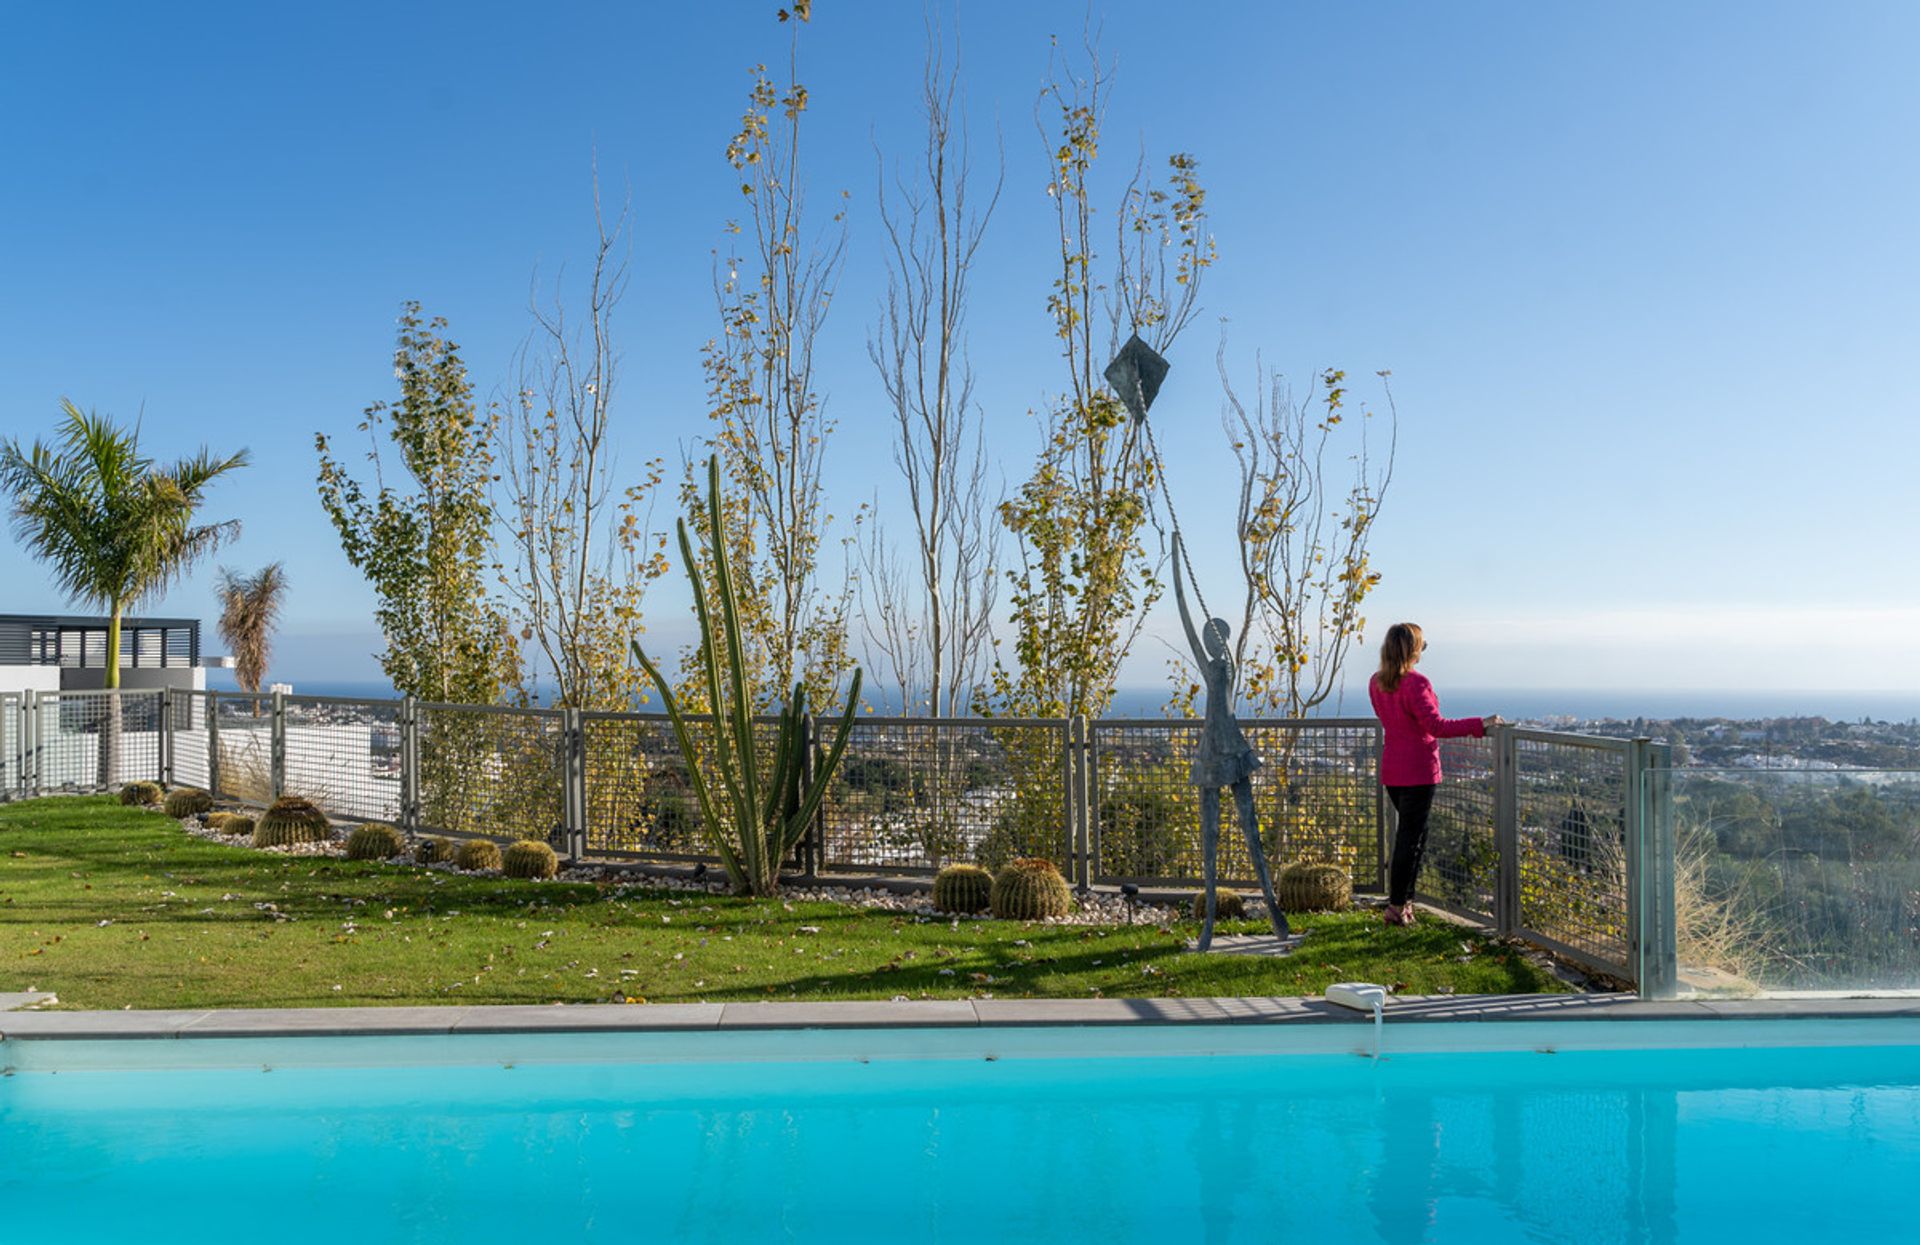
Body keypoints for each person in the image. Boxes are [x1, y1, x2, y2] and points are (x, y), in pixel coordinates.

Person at [1171, 533, 1288, 951]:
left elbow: (1207, 636)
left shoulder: (1228, 665)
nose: (1211, 642)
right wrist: (1175, 561)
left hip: (1233, 750)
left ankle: (1275, 914)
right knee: (1211, 840)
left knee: (1251, 834)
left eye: (1217, 636)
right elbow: (1185, 618)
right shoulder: (1210, 664)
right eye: (1210, 637)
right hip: (1209, 753)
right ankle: (1208, 927)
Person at [1368, 622, 1504, 927]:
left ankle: (1405, 904)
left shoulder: (1376, 682)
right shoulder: (1416, 683)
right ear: (1412, 649)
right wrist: (1480, 724)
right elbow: (1437, 726)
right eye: (1422, 646)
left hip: (1393, 770)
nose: (1422, 651)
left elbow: (1395, 721)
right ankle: (1397, 906)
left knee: (1413, 837)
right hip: (1419, 771)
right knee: (1409, 840)